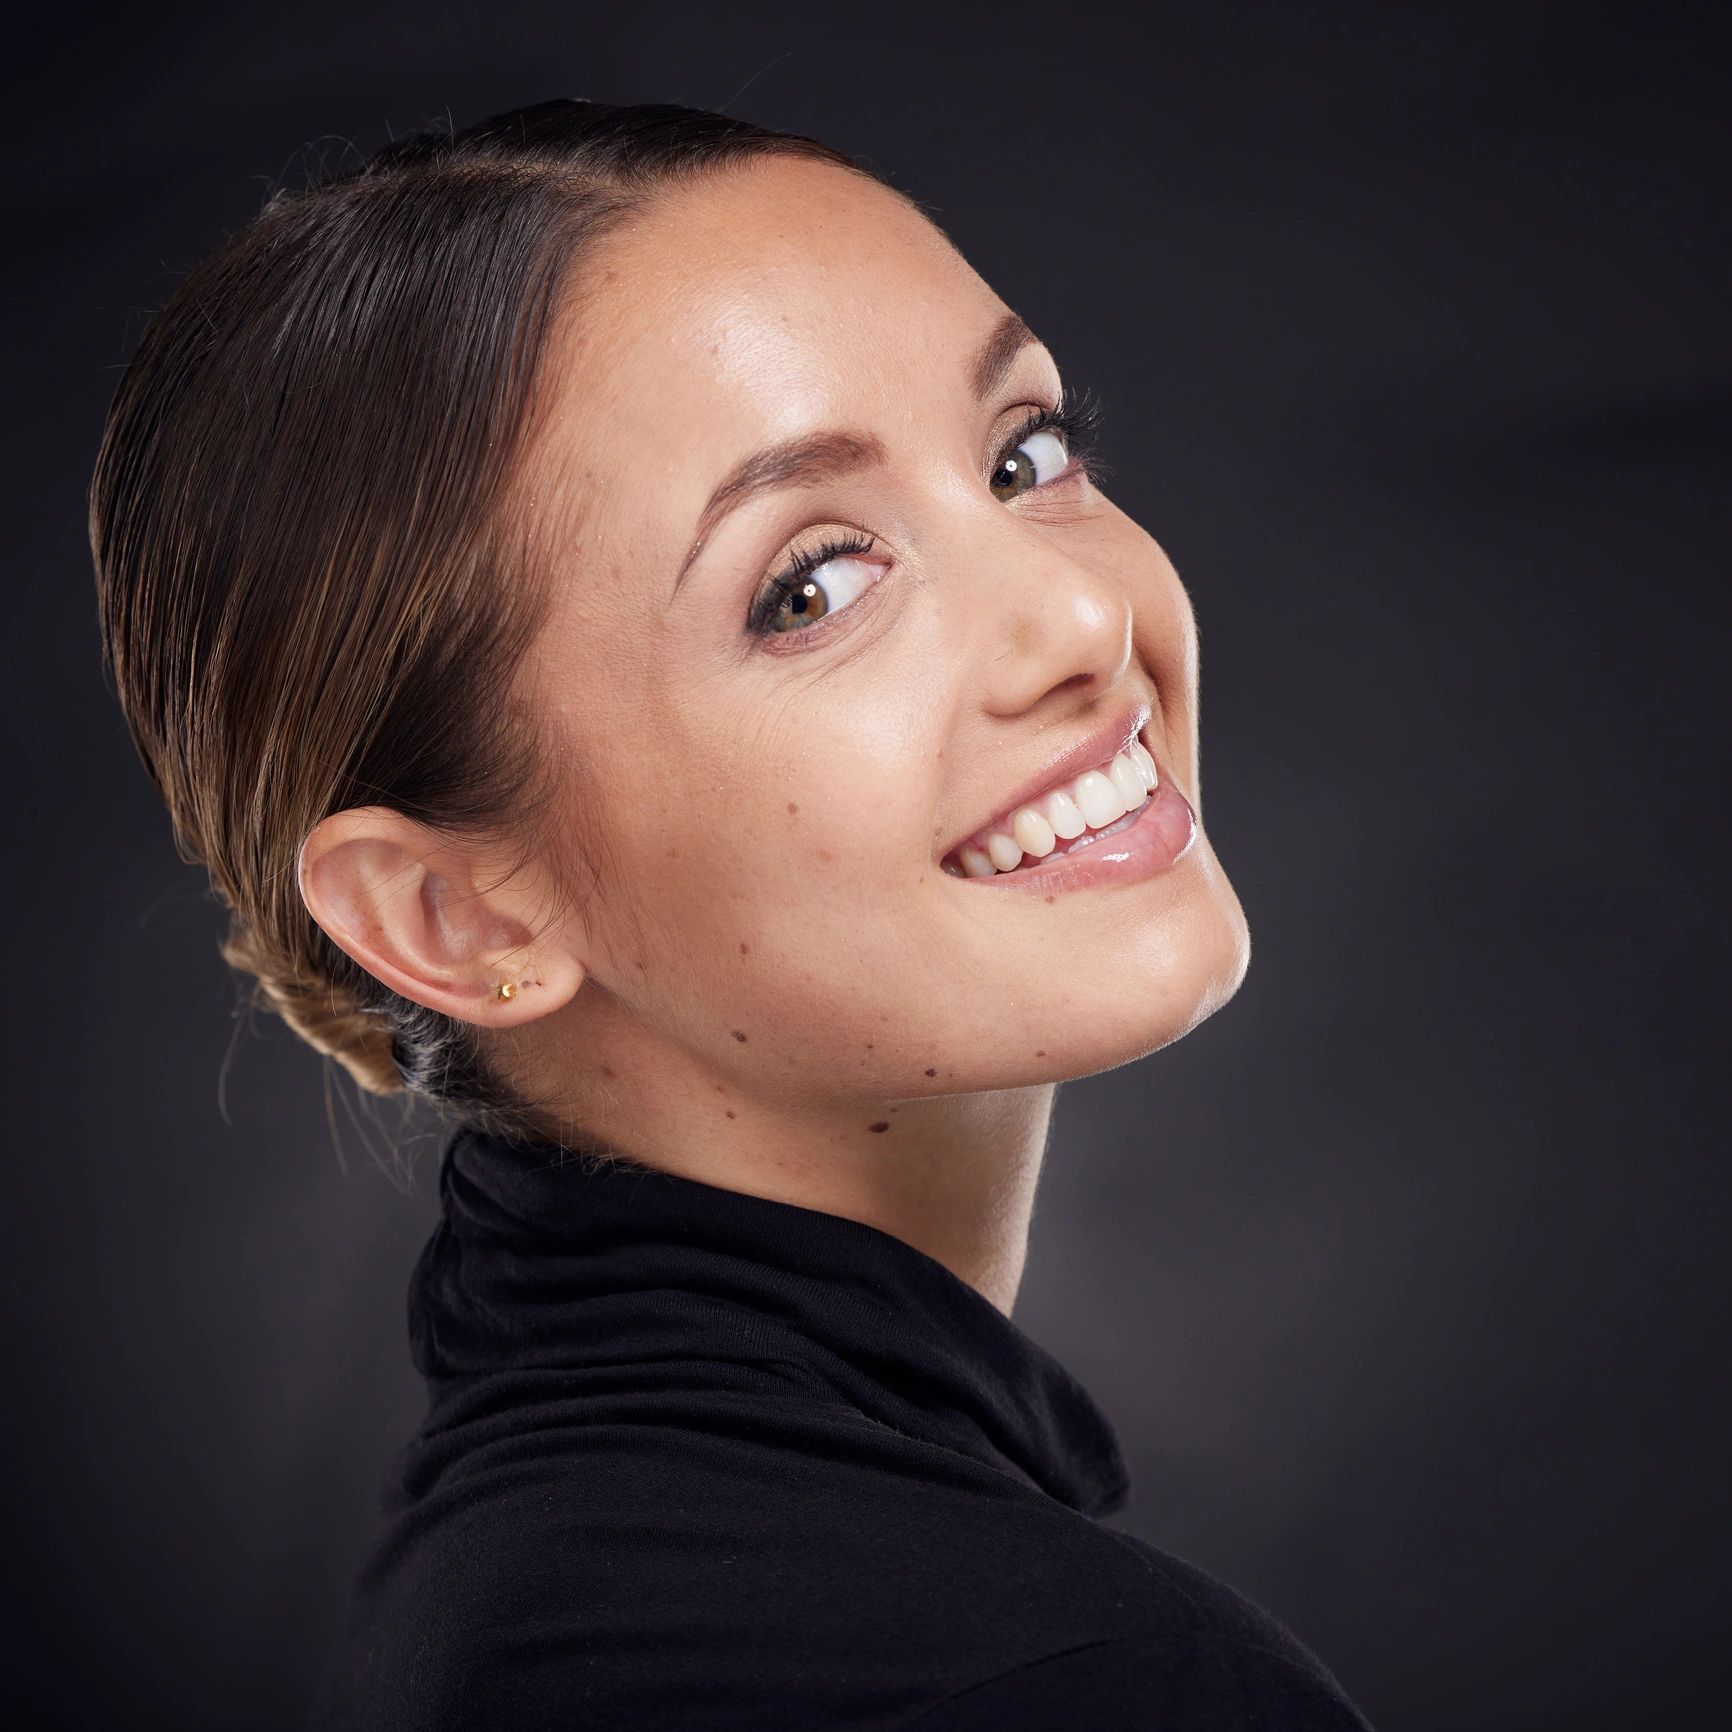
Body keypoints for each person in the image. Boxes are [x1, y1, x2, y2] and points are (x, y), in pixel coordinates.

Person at [89, 97, 1371, 1730]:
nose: (1078, 613)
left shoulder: (519, 1592)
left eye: (1024, 456)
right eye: (811, 586)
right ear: (454, 916)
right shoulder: (1080, 1688)